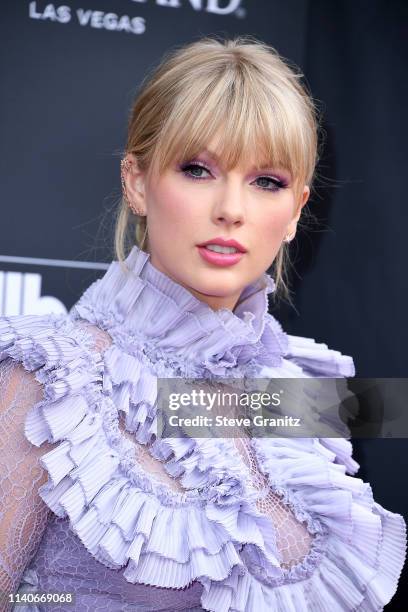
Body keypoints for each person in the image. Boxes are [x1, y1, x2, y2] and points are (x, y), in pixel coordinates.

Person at [0, 36, 405, 612]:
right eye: (197, 169)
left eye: (268, 181)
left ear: (295, 213)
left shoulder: (305, 396)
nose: (231, 209)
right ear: (136, 181)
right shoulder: (47, 378)